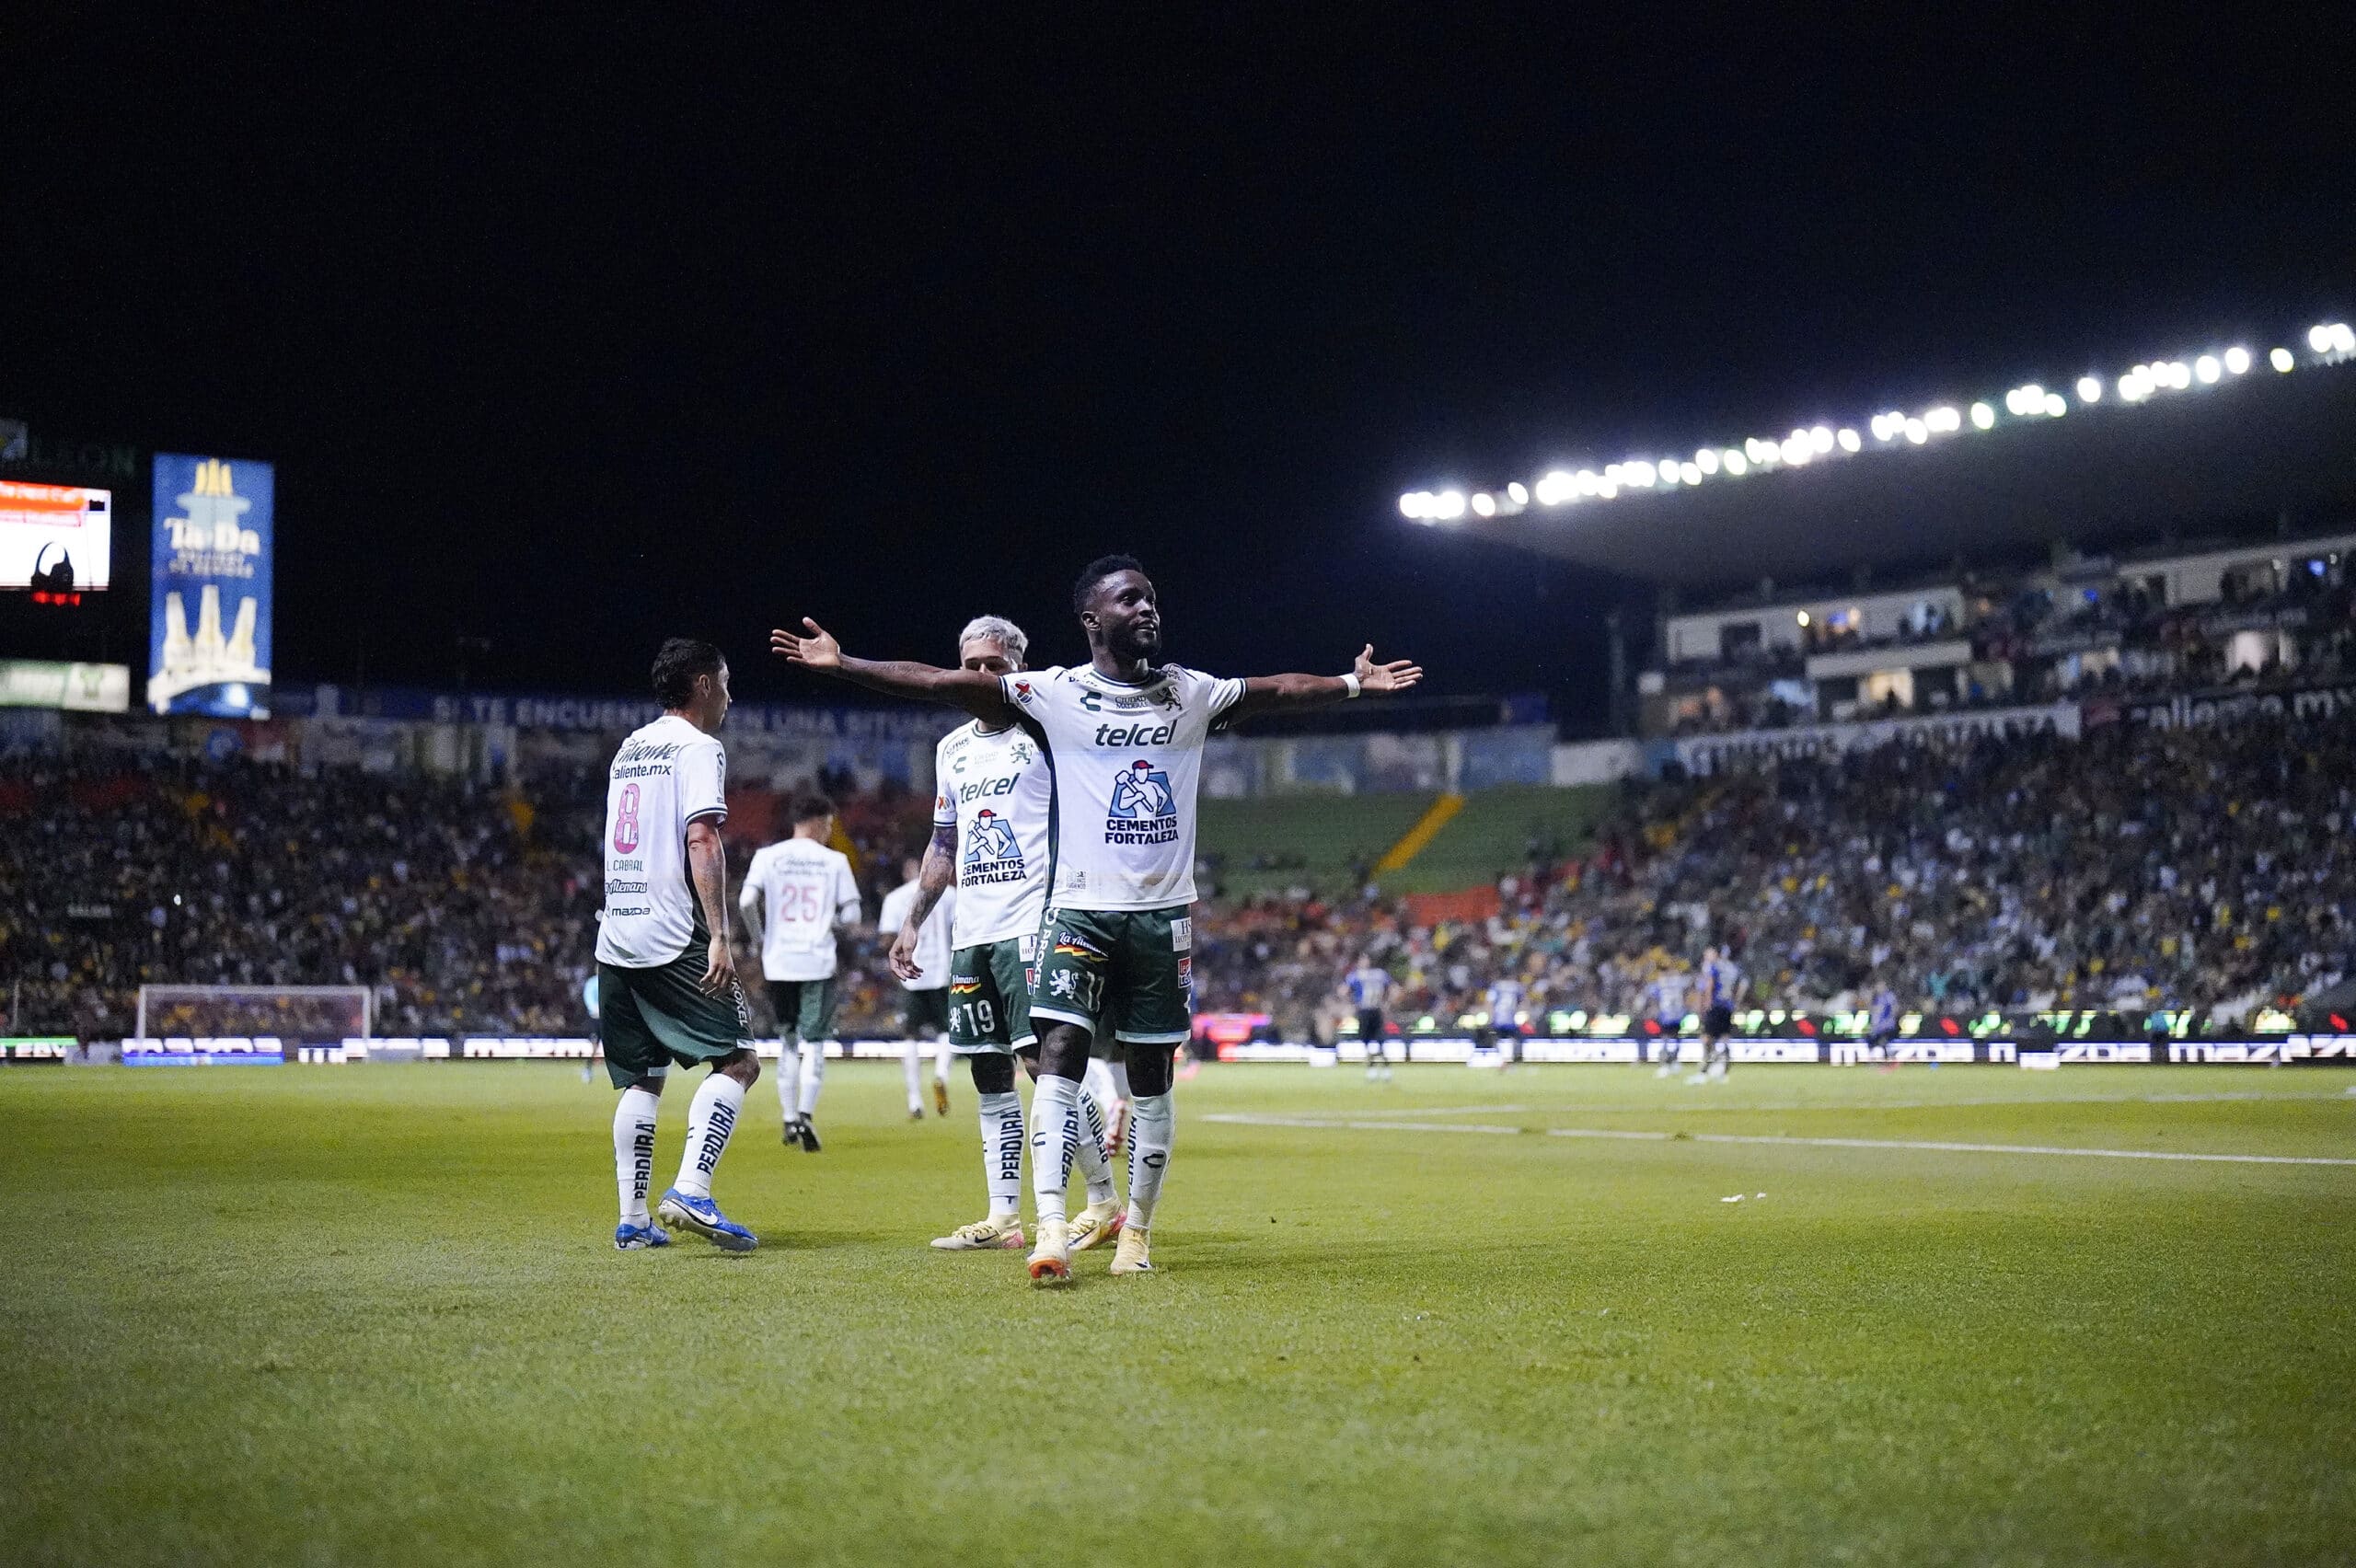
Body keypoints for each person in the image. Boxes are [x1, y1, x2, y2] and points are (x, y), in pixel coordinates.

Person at [776, 553, 1420, 1283]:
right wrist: (841, 664)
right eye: (1129, 601)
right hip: (1078, 912)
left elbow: (1277, 690)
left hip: (1161, 918)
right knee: (1054, 1061)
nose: (1147, 609)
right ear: (1093, 620)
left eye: (1151, 598)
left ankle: (1134, 1233)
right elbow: (938, 682)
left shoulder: (1190, 691)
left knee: (1151, 1078)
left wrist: (1348, 683)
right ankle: (1049, 1226)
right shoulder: (1054, 696)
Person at [889, 615, 1126, 1253]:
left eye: (997, 664)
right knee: (990, 1073)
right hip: (973, 931)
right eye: (973, 665)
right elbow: (945, 842)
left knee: (1041, 1065)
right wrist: (915, 920)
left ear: (1020, 667)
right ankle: (1003, 1219)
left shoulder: (1048, 732)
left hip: (1035, 922)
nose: (984, 677)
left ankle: (1104, 1202)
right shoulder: (951, 749)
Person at [595, 638, 759, 1251]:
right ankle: (692, 1187)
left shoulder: (630, 747)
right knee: (740, 1060)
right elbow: (701, 838)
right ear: (700, 685)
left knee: (643, 1077)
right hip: (670, 932)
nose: (729, 695)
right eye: (724, 682)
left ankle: (633, 1221)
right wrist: (719, 933)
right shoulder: (698, 747)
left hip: (618, 932)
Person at [738, 791, 862, 1151]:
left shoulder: (768, 857)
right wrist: (833, 923)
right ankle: (806, 1114)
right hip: (817, 960)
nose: (829, 832)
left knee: (787, 1040)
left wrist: (762, 938)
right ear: (820, 822)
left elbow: (747, 902)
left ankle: (789, 1118)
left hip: (778, 961)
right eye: (828, 825)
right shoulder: (834, 861)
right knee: (816, 1042)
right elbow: (852, 915)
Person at [877, 856, 956, 1119]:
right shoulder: (949, 896)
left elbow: (887, 938)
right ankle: (941, 1074)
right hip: (943, 972)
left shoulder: (896, 898)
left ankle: (914, 1101)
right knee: (947, 1031)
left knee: (910, 1035)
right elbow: (960, 930)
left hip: (910, 976)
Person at [1692, 944, 1742, 1083]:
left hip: (1716, 1005)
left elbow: (1709, 985)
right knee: (1725, 1037)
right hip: (1727, 1006)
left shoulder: (1714, 967)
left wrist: (1706, 1004)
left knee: (1706, 1038)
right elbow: (1738, 987)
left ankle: (1704, 1070)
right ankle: (1724, 1071)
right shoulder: (1733, 968)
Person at [1345, 955, 1393, 1081]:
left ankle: (1382, 1069)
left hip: (1373, 1011)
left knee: (1378, 1041)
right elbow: (1345, 991)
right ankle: (1374, 1068)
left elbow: (1344, 991)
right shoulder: (1359, 975)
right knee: (1368, 1042)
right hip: (1364, 1011)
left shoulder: (1376, 974)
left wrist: (1386, 1003)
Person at [1648, 966, 1691, 1078]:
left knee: (1666, 1039)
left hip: (1667, 1015)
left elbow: (1654, 998)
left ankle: (1666, 1064)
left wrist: (1654, 1011)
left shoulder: (1660, 984)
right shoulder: (1678, 983)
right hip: (1676, 1015)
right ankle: (1673, 1062)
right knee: (1675, 1038)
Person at [1482, 965, 1527, 1068]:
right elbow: (1524, 1002)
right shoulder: (1517, 986)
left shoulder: (1496, 986)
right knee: (1516, 1039)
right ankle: (1513, 1062)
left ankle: (1501, 1060)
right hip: (1511, 1019)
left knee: (1496, 1040)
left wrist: (1489, 1016)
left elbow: (1489, 1002)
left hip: (1498, 1019)